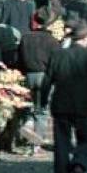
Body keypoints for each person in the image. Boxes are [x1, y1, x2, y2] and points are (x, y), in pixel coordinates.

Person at [37, 21, 87, 173]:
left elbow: (47, 80)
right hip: (83, 106)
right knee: (86, 138)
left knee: (61, 143)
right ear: (86, 38)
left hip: (61, 104)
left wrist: (43, 100)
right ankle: (79, 164)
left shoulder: (58, 54)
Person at [17, 11, 62, 150]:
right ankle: (36, 141)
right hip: (45, 76)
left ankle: (27, 125)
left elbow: (19, 57)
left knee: (29, 106)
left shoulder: (25, 37)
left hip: (29, 74)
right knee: (42, 110)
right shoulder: (52, 41)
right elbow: (56, 62)